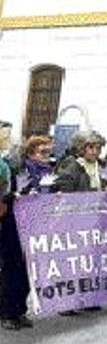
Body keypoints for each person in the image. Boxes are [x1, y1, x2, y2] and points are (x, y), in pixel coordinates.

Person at [0, 121, 32, 330]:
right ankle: (6, 312)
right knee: (8, 266)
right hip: (4, 216)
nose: (8, 138)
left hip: (12, 217)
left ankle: (18, 309)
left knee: (19, 265)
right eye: (5, 135)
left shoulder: (9, 162)